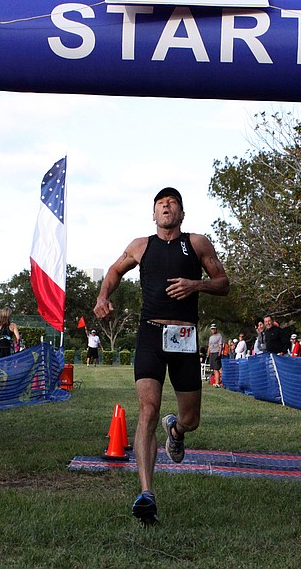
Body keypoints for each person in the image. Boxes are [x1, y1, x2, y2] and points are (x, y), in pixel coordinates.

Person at [94, 187, 229, 525]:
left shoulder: (197, 243)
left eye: (173, 204)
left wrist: (195, 285)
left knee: (191, 419)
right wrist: (102, 296)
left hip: (185, 336)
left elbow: (223, 282)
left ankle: (177, 431)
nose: (167, 207)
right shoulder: (141, 246)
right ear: (153, 214)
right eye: (161, 204)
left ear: (181, 214)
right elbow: (113, 271)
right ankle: (146, 493)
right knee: (148, 408)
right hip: (151, 334)